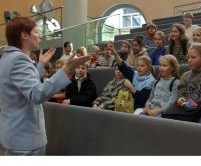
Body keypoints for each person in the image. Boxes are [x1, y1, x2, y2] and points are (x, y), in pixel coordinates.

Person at [0, 17, 90, 155]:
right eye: (36, 32)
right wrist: (65, 71)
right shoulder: (19, 60)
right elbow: (36, 94)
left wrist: (40, 66)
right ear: (24, 35)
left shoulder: (7, 58)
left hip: (16, 135)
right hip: (26, 139)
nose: (40, 35)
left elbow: (23, 88)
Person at [110, 42, 155, 109]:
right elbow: (123, 66)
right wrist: (114, 52)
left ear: (148, 67)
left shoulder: (151, 81)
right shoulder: (135, 74)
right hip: (127, 103)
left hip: (139, 107)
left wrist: (130, 86)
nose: (139, 68)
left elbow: (142, 100)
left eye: (142, 66)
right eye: (137, 65)